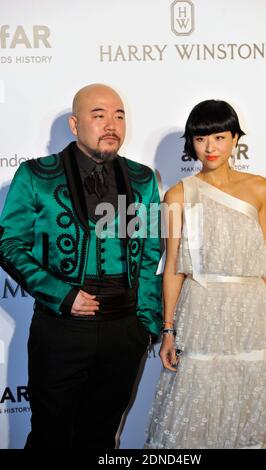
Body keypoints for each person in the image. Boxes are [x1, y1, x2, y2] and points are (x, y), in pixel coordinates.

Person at [0, 83, 162, 448]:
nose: (112, 124)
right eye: (99, 114)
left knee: (101, 437)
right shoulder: (36, 175)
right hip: (61, 329)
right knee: (50, 436)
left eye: (119, 115)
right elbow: (8, 243)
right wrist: (62, 293)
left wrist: (146, 324)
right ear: (75, 125)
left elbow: (151, 251)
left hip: (125, 331)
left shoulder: (142, 179)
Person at [145, 99, 266, 449]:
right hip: (202, 309)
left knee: (251, 397)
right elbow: (174, 266)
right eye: (201, 139)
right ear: (191, 142)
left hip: (251, 310)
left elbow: (265, 255)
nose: (210, 147)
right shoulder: (178, 194)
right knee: (195, 402)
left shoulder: (260, 188)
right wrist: (168, 329)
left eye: (219, 137)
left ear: (235, 138)